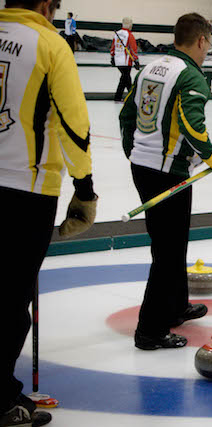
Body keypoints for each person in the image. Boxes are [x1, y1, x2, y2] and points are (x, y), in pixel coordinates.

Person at [0, 1, 98, 426]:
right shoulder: (49, 44)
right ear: (44, 5)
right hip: (26, 190)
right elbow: (73, 123)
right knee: (9, 300)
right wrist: (85, 189)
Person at [119, 13, 212, 350]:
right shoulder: (193, 77)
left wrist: (135, 153)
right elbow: (193, 125)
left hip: (146, 166)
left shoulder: (151, 67)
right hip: (166, 173)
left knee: (174, 239)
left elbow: (127, 114)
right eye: (208, 42)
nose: (208, 48)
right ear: (200, 40)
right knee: (167, 251)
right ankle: (151, 330)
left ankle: (176, 305)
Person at [110, 17, 140, 102]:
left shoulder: (117, 34)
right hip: (126, 62)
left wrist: (112, 57)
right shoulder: (129, 35)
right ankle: (129, 97)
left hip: (117, 60)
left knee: (125, 78)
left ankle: (123, 97)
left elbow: (113, 47)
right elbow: (133, 49)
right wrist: (136, 60)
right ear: (130, 25)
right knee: (125, 79)